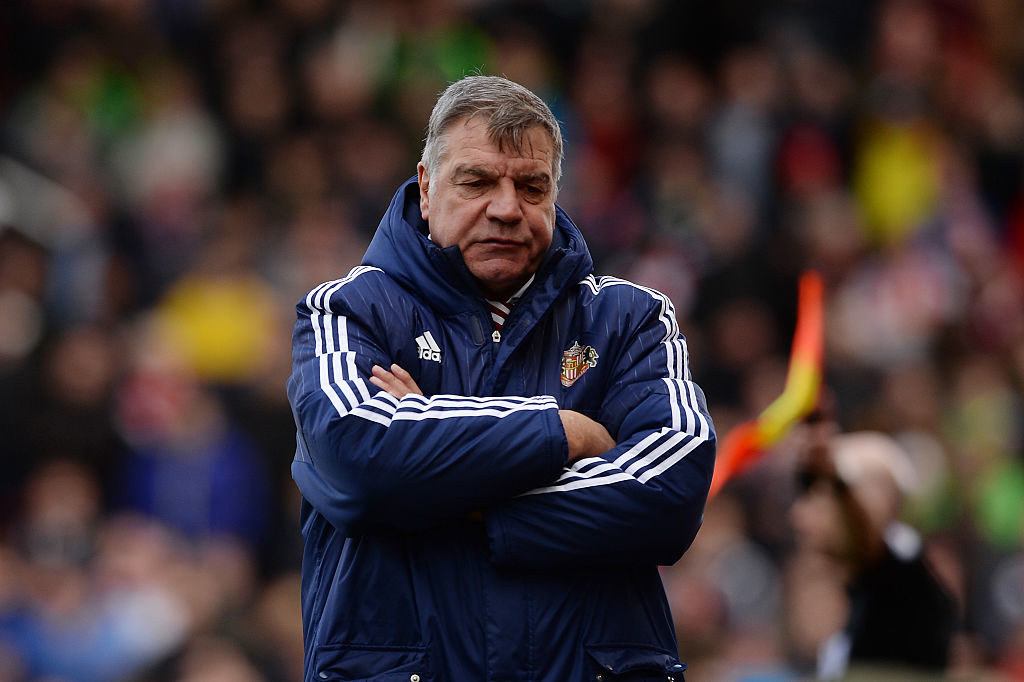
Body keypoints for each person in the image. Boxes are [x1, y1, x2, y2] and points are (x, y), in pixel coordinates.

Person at [286, 75, 716, 682]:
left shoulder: (631, 318)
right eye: (478, 182)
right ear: (427, 188)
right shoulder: (346, 311)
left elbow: (671, 492)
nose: (507, 209)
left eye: (531, 187)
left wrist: (442, 474)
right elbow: (359, 458)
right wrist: (562, 433)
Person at [789, 429, 959, 679]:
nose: (799, 515)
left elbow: (868, 542)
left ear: (881, 498)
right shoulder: (857, 591)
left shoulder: (907, 578)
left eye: (820, 495)